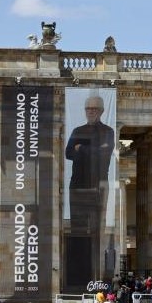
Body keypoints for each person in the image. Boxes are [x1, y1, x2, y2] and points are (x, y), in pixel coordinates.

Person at [65, 95, 115, 230]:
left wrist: (81, 148)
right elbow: (68, 153)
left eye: (94, 108)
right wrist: (95, 151)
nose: (90, 111)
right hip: (78, 185)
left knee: (97, 228)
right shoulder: (78, 131)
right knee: (77, 228)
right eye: (88, 108)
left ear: (102, 111)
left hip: (98, 186)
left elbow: (103, 155)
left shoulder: (108, 131)